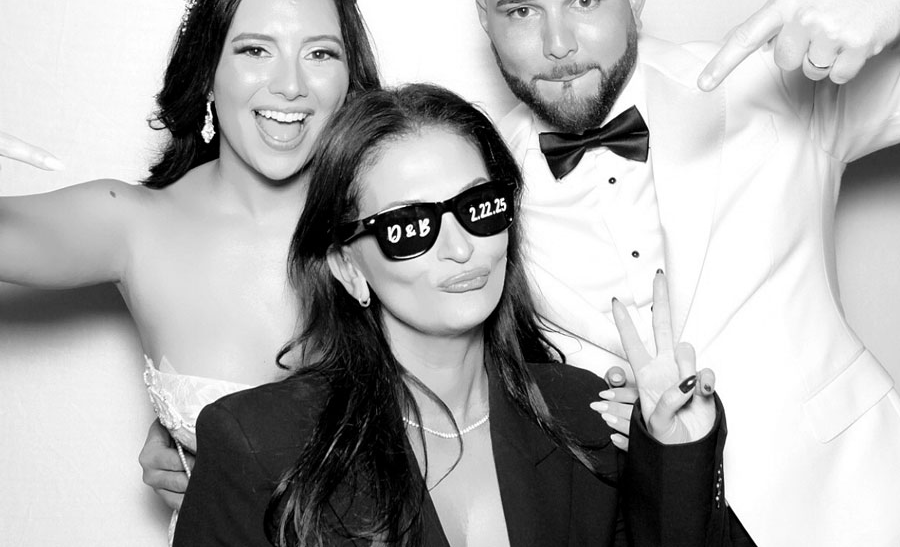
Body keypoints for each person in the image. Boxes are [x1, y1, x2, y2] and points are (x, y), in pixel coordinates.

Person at [475, 0, 900, 547]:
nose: (558, 43)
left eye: (585, 1)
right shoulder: (478, 182)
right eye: (522, 12)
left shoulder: (770, 82)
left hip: (853, 502)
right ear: (486, 21)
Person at [174, 83, 737, 547]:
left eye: (478, 207)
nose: (461, 247)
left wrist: (677, 453)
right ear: (348, 267)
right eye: (409, 227)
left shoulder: (583, 415)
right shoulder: (256, 443)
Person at [0, 0, 380, 536]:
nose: (290, 84)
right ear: (207, 70)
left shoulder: (397, 226)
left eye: (320, 53)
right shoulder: (136, 225)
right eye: (256, 50)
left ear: (348, 79)